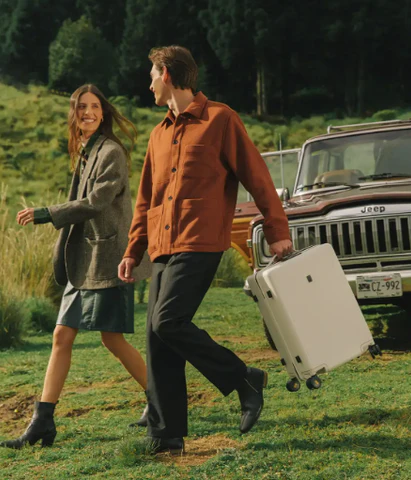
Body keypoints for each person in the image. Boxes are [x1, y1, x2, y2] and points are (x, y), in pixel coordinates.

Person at [118, 46, 293, 455]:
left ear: (167, 74)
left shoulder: (221, 119)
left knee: (168, 322)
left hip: (200, 240)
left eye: (152, 75)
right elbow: (146, 199)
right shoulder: (158, 134)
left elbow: (257, 176)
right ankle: (166, 436)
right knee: (157, 338)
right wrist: (133, 250)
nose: (149, 84)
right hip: (162, 245)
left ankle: (243, 378)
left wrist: (277, 229)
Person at [1, 84, 151, 450]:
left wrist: (46, 213)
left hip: (108, 259)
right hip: (83, 261)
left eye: (94, 106)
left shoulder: (111, 151)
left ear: (104, 112)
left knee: (111, 339)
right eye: (81, 106)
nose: (88, 112)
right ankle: (42, 422)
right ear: (74, 113)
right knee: (61, 336)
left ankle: (161, 399)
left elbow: (96, 202)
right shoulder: (85, 152)